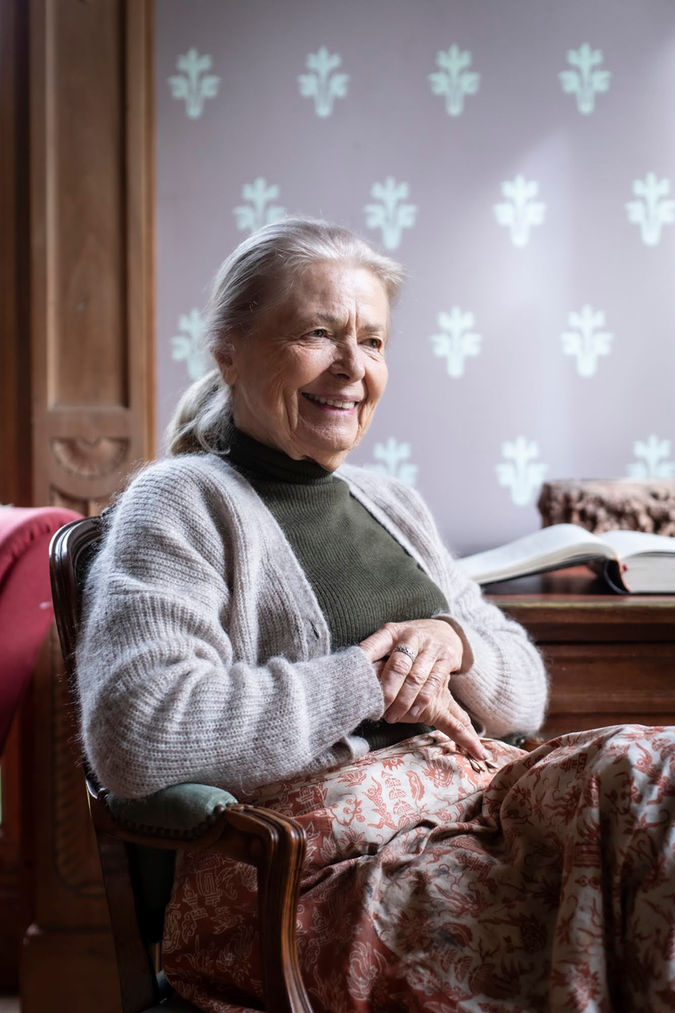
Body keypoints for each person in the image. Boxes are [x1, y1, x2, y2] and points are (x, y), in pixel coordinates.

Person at [77, 219, 675, 1012]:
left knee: (650, 769)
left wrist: (454, 643)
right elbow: (137, 731)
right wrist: (366, 676)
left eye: (372, 340)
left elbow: (523, 692)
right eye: (318, 334)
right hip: (314, 878)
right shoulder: (180, 502)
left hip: (471, 812)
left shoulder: (389, 500)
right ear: (228, 349)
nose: (352, 369)